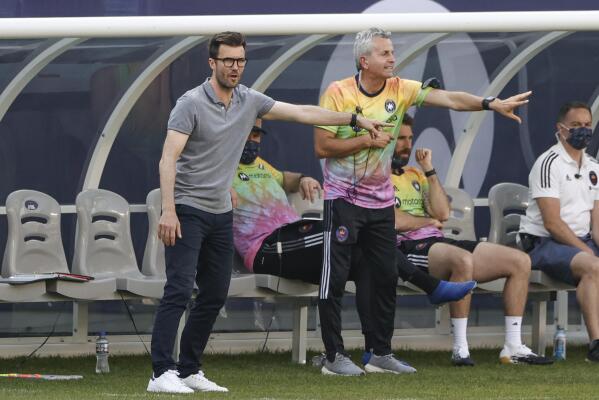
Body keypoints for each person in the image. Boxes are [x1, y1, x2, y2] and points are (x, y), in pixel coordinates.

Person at [148, 31, 392, 394]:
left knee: (214, 293)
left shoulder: (248, 100)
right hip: (187, 209)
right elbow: (168, 159)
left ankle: (188, 370)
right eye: (228, 61)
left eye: (241, 61)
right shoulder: (190, 103)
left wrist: (354, 121)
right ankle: (160, 373)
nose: (235, 67)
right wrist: (169, 210)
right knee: (180, 289)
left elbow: (301, 113)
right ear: (212, 63)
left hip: (220, 212)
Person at [314, 27, 532, 376]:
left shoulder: (401, 88)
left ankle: (379, 354)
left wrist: (490, 104)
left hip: (381, 204)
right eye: (385, 53)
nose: (392, 59)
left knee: (385, 277)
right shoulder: (338, 92)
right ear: (364, 60)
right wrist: (366, 142)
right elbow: (323, 147)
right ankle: (333, 357)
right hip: (343, 200)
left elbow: (451, 99)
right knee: (335, 279)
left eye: (392, 52)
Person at [232, 121, 475, 295]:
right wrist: (221, 191)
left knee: (366, 254)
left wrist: (303, 178)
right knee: (353, 237)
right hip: (267, 247)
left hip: (293, 235)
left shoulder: (260, 165)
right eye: (248, 134)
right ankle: (430, 286)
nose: (253, 142)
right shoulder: (219, 169)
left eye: (257, 135)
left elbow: (286, 178)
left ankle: (376, 348)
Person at [393, 114, 552, 366]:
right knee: (463, 261)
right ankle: (460, 348)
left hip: (438, 241)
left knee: (520, 261)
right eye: (400, 139)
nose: (407, 144)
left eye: (410, 138)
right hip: (406, 249)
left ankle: (513, 346)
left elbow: (443, 213)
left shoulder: (415, 173)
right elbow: (392, 220)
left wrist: (429, 171)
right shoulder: (375, 177)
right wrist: (426, 222)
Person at [519, 101, 599, 363]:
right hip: (542, 242)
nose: (583, 130)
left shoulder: (593, 167)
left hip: (579, 242)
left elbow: (596, 223)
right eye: (576, 125)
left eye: (587, 125)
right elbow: (552, 223)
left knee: (592, 263)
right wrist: (587, 250)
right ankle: (596, 347)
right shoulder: (548, 163)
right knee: (592, 265)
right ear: (561, 129)